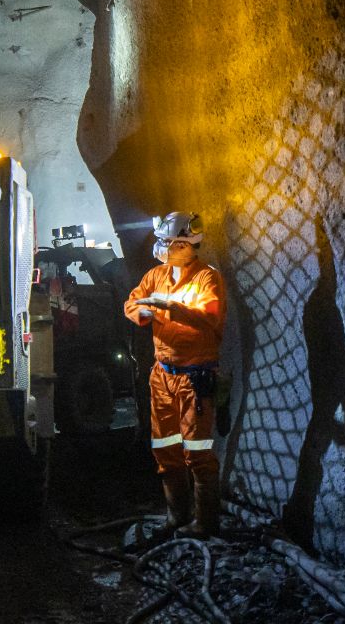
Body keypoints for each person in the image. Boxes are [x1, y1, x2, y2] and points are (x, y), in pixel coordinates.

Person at [124, 211, 226, 539]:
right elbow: (132, 302)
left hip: (195, 377)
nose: (163, 247)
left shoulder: (208, 278)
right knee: (165, 448)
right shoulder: (156, 275)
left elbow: (210, 316)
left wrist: (171, 308)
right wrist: (142, 311)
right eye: (162, 241)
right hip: (162, 376)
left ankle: (205, 521)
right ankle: (177, 515)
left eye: (169, 242)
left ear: (187, 244)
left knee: (197, 451)